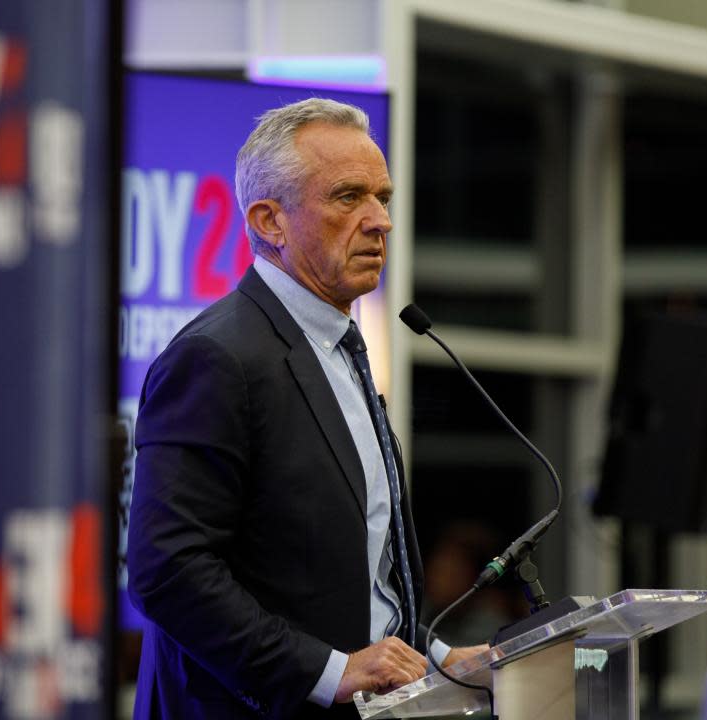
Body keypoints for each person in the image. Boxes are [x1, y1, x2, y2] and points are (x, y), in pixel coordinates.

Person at [127, 98, 485, 719]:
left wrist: (436, 658)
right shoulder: (217, 357)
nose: (380, 222)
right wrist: (330, 672)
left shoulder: (342, 347)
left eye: (383, 197)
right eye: (349, 197)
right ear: (270, 220)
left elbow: (349, 579)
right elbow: (169, 571)